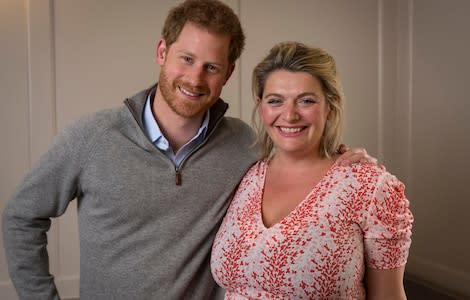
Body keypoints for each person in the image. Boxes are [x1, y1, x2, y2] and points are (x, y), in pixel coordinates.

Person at [2, 1, 376, 300]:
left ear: (227, 74)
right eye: (186, 59)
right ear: (162, 51)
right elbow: (21, 216)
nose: (195, 79)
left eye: (211, 66)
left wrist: (338, 161)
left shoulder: (243, 145)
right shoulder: (90, 137)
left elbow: (295, 155)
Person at [211, 41, 414, 299]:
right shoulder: (244, 172)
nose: (290, 115)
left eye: (306, 101)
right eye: (276, 101)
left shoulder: (369, 187)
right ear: (261, 105)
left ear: (330, 106)